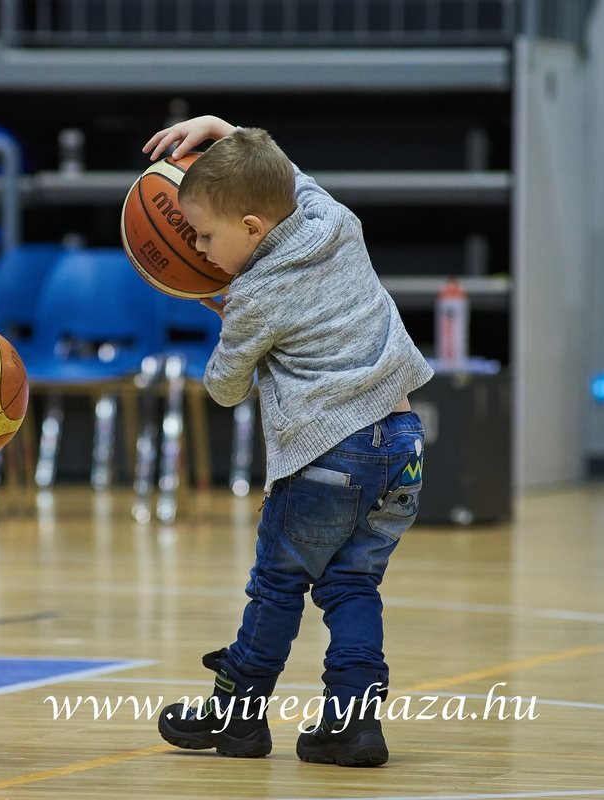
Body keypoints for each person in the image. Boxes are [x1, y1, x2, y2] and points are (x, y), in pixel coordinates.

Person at [144, 116, 433, 767]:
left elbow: (223, 389)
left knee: (277, 590)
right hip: (404, 447)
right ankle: (354, 726)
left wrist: (224, 319)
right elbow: (285, 178)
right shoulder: (333, 219)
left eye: (206, 235)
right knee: (352, 587)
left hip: (328, 456)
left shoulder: (252, 294)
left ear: (250, 228)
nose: (197, 246)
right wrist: (228, 131)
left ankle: (237, 717)